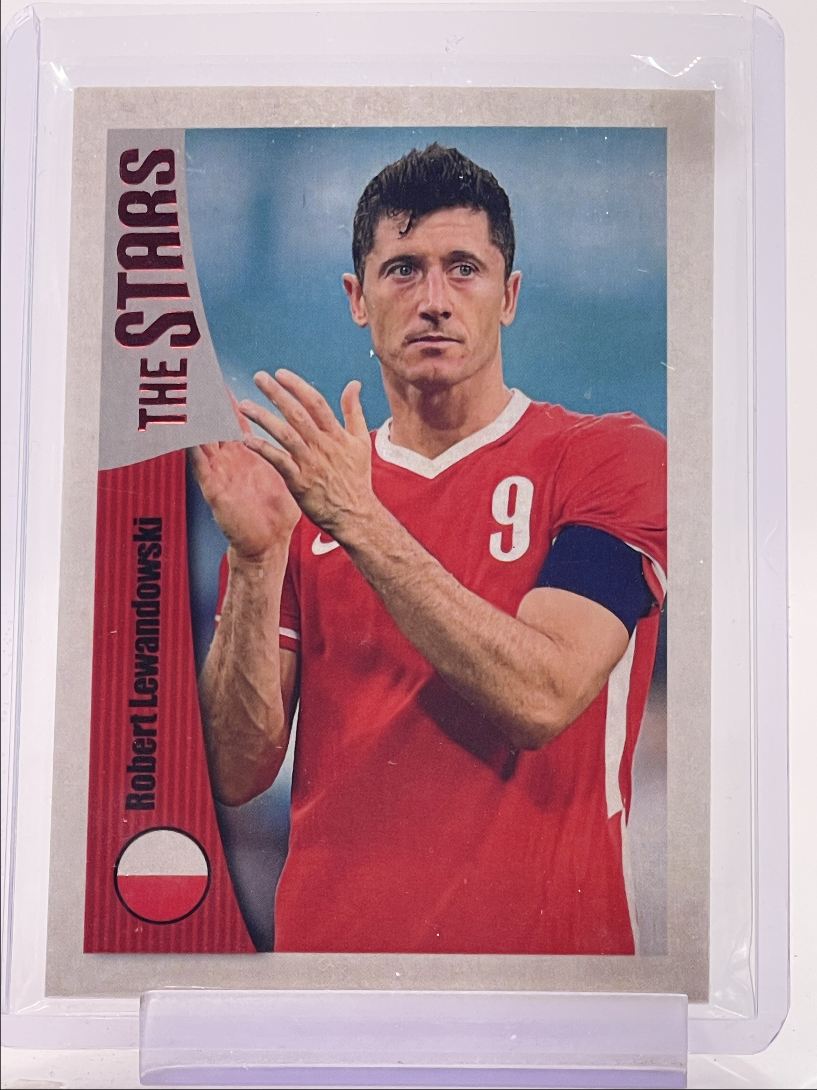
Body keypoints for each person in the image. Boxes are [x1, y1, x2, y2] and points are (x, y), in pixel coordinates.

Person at [192, 143, 666, 956]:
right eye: (403, 270)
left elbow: (541, 699)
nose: (434, 300)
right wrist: (261, 560)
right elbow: (236, 774)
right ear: (357, 299)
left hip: (545, 981)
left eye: (463, 269)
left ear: (508, 296)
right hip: (331, 978)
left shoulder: (606, 460)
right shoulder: (304, 497)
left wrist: (359, 519)